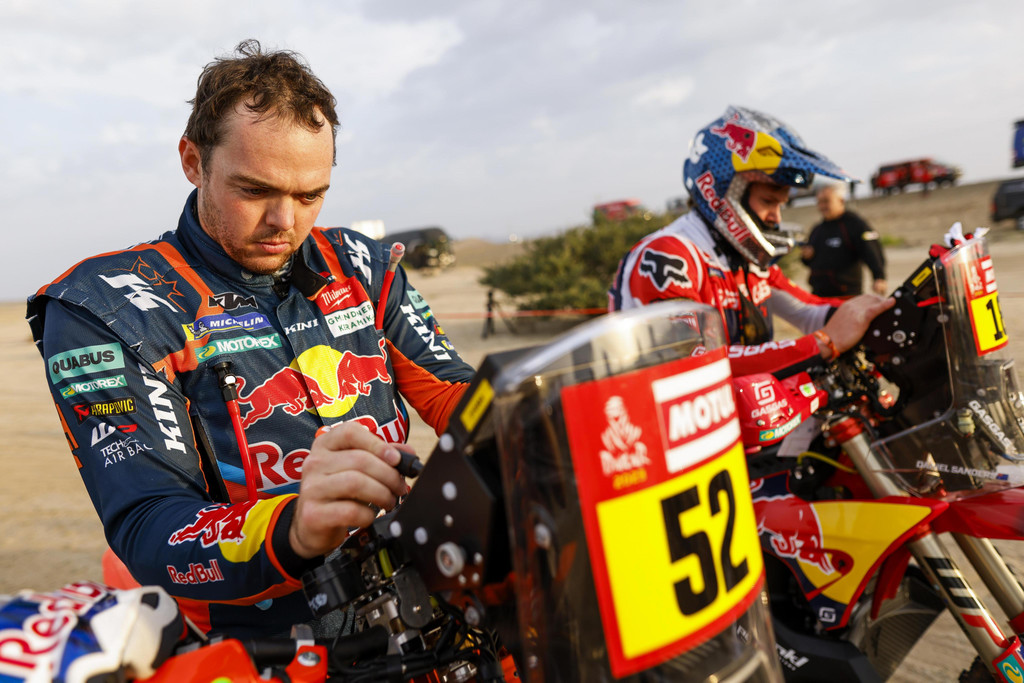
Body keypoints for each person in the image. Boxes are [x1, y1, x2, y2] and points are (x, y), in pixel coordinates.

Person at [25, 40, 476, 638]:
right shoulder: (104, 307)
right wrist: (296, 527)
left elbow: (456, 395)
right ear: (193, 161)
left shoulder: (363, 265)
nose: (285, 222)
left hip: (420, 608)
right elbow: (149, 525)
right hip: (258, 648)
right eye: (255, 191)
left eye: (310, 195)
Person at [608, 105, 894, 377]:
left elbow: (810, 311)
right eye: (768, 201)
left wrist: (880, 312)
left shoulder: (747, 258)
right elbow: (696, 362)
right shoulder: (668, 255)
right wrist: (821, 343)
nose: (776, 217)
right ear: (723, 191)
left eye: (781, 204)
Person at [800, 183, 887, 297]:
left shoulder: (854, 224)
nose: (822, 206)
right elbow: (808, 260)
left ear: (841, 201)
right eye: (819, 202)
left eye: (826, 201)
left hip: (847, 294)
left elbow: (872, 250)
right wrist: (806, 257)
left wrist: (879, 277)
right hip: (819, 296)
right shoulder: (817, 229)